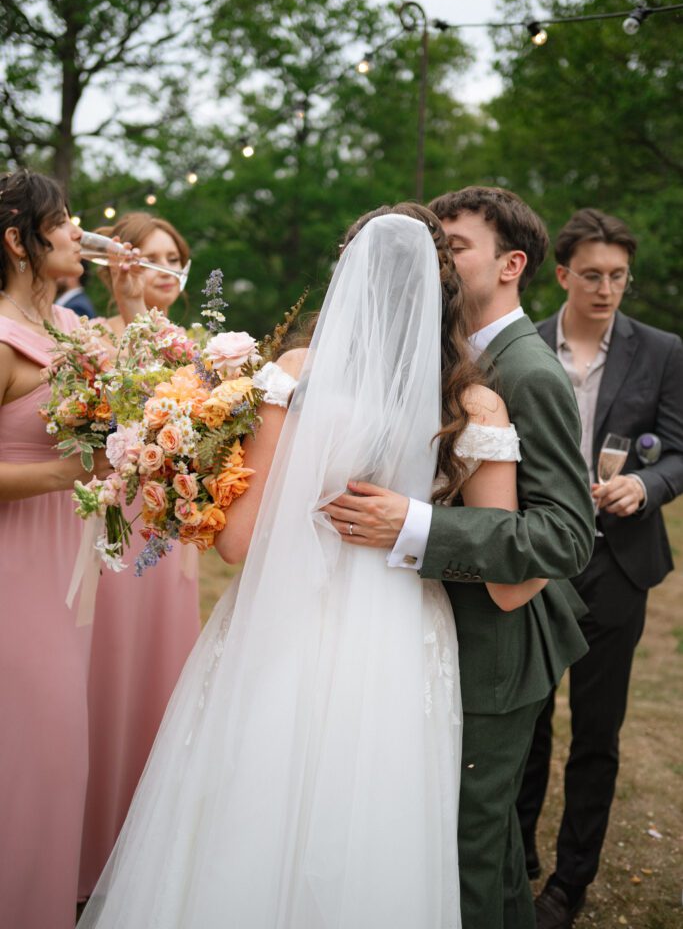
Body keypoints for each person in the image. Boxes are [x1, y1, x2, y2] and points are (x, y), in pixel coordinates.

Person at [79, 205, 547, 928]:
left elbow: (235, 544)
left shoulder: (297, 374)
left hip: (281, 625)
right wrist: (415, 526)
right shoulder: (475, 404)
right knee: (376, 819)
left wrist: (194, 480)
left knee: (250, 801)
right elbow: (514, 579)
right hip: (399, 638)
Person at [323, 187, 595, 929]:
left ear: (510, 266)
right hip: (435, 633)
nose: (437, 258)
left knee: (464, 836)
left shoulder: (524, 373)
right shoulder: (438, 362)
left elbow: (565, 537)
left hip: (497, 645)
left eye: (455, 246)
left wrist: (412, 525)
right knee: (478, 832)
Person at [516, 208, 683, 928]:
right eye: (591, 275)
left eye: (617, 276)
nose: (606, 289)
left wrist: (644, 487)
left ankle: (569, 882)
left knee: (596, 729)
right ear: (561, 275)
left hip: (616, 560)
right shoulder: (518, 346)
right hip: (531, 555)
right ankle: (511, 854)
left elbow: (678, 451)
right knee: (524, 717)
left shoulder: (663, 350)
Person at [0, 169, 112, 929]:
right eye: (63, 220)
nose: (77, 231)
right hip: (13, 571)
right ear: (17, 241)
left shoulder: (77, 333)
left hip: (71, 576)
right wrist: (57, 473)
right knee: (27, 754)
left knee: (62, 755)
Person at [79, 212, 201, 900]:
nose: (163, 268)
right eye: (149, 255)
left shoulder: (200, 349)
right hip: (110, 534)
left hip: (171, 538)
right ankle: (88, 844)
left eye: (174, 257)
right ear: (119, 264)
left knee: (160, 683)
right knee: (106, 679)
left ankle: (142, 850)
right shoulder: (92, 339)